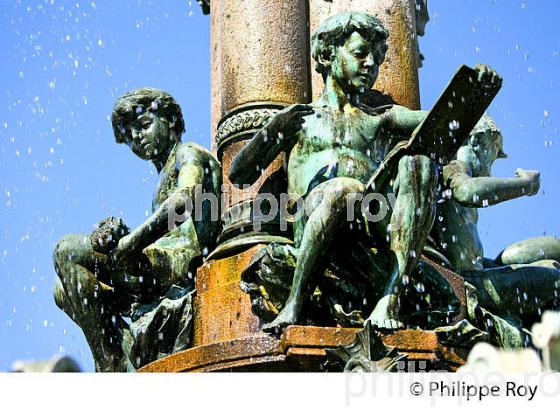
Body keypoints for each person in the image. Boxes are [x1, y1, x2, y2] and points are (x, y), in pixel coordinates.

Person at [230, 12, 501, 330]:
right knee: (342, 189)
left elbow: (445, 121)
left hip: (371, 220)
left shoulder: (381, 118)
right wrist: (271, 130)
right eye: (360, 54)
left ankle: (389, 299)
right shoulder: (301, 121)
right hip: (318, 215)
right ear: (328, 55)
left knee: (420, 162)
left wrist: (473, 94)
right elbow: (239, 174)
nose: (371, 64)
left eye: (377, 58)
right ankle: (294, 305)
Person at [53, 88, 221, 371]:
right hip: (161, 267)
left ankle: (110, 364)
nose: (137, 139)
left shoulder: (189, 153)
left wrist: (132, 242)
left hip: (182, 266)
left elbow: (186, 199)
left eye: (143, 126)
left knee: (68, 251)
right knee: (63, 291)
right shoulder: (163, 172)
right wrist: (119, 235)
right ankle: (124, 352)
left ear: (169, 121)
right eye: (130, 135)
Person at [434, 114, 560, 323]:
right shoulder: (455, 164)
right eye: (494, 151)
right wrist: (525, 185)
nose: (493, 161)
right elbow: (466, 192)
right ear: (476, 140)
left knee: (550, 260)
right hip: (465, 283)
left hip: (477, 273)